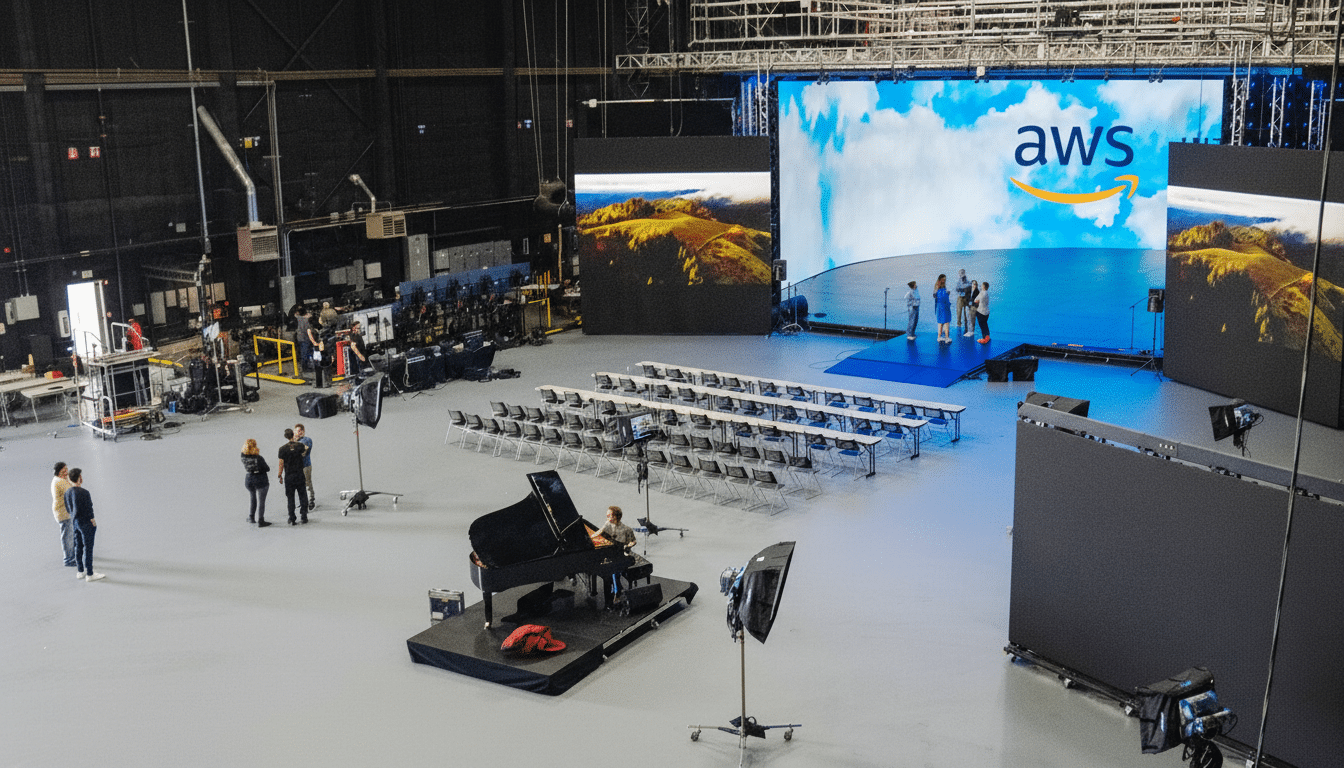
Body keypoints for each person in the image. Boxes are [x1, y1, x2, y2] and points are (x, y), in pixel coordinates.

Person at [63, 468, 104, 582]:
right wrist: (92, 521)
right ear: (80, 478)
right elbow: (89, 508)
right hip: (86, 523)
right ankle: (90, 573)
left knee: (78, 547)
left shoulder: (67, 493)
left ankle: (80, 571)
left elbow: (68, 508)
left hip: (75, 522)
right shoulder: (84, 492)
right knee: (88, 548)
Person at [598, 506, 636, 608]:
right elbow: (599, 534)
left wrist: (628, 546)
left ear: (616, 517)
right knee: (613, 569)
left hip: (623, 555)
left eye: (609, 515)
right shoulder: (608, 526)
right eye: (607, 516)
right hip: (614, 555)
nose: (607, 518)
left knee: (613, 570)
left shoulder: (626, 529)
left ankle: (616, 593)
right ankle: (617, 590)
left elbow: (633, 541)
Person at [277, 428, 310, 525]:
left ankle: (292, 517)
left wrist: (280, 475)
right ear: (293, 435)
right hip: (299, 474)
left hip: (289, 476)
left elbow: (281, 463)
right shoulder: (299, 445)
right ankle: (304, 516)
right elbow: (306, 449)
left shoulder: (282, 449)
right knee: (303, 495)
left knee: (290, 497)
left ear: (285, 437)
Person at [241, 439, 272, 527]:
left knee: (252, 497)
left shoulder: (243, 456)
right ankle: (261, 520)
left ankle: (251, 517)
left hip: (249, 479)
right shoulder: (258, 458)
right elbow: (267, 468)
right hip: (260, 479)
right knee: (261, 501)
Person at [51, 461, 76, 569]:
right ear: (58, 471)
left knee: (71, 535)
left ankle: (73, 555)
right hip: (64, 513)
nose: (66, 472)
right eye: (63, 470)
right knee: (68, 537)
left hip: (66, 512)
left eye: (67, 469)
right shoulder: (60, 482)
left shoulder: (59, 480)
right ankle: (69, 559)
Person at [295, 423, 316, 510]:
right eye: (296, 431)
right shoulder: (296, 441)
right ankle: (303, 501)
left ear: (303, 431)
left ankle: (311, 500)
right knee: (300, 484)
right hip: (297, 467)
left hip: (306, 466)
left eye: (299, 431)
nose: (297, 433)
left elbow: (302, 452)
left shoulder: (306, 440)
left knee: (307, 483)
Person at [307, 314, 328, 388]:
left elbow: (312, 338)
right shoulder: (314, 329)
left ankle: (320, 383)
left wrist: (315, 344)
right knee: (321, 365)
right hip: (319, 348)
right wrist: (316, 344)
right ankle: (322, 383)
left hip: (318, 348)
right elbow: (312, 338)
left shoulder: (313, 329)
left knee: (319, 366)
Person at [933, 274, 952, 343]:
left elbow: (934, 296)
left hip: (941, 306)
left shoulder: (936, 287)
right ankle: (946, 337)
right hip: (943, 306)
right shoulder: (945, 287)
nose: (944, 280)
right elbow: (948, 294)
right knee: (945, 322)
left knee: (941, 322)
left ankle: (940, 337)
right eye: (943, 279)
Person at [294, 306, 313, 373]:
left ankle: (304, 367)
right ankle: (306, 368)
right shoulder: (306, 321)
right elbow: (307, 330)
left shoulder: (298, 318)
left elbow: (295, 315)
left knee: (303, 353)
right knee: (306, 353)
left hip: (299, 338)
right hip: (305, 338)